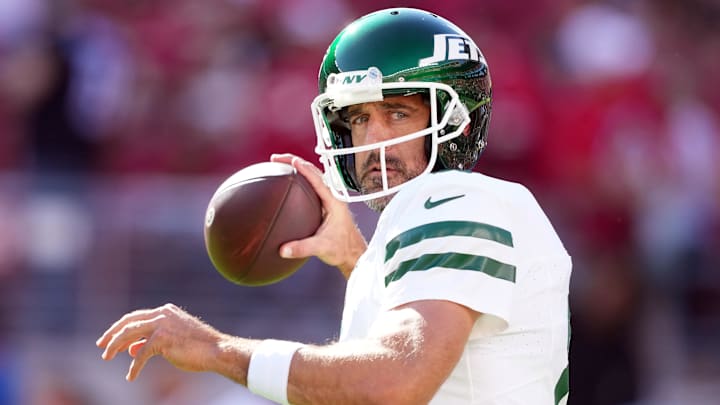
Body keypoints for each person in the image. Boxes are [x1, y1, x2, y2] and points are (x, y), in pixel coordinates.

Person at [97, 8, 572, 405]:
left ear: (457, 122)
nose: (374, 140)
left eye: (398, 113)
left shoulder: (455, 199)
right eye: (360, 118)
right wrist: (356, 259)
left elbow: (395, 381)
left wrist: (217, 349)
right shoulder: (452, 212)